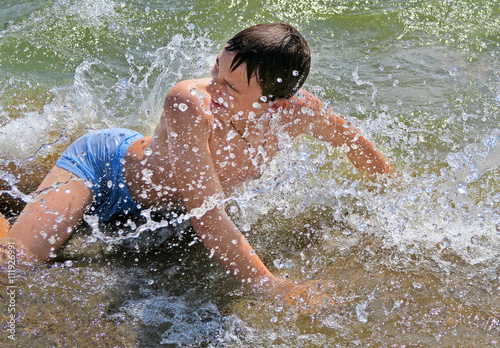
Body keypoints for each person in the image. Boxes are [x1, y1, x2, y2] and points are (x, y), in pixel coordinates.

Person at [0, 23, 392, 296]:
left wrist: (392, 199)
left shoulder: (299, 111)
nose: (212, 87)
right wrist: (274, 287)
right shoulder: (190, 104)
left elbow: (358, 148)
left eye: (230, 87)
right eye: (216, 70)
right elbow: (206, 214)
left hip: (172, 210)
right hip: (104, 172)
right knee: (14, 268)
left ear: (275, 102)